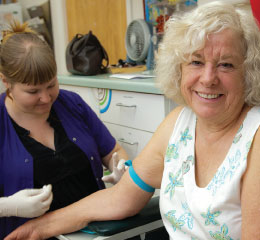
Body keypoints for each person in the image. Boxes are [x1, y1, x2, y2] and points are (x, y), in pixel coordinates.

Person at [5, 1, 260, 239]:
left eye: (226, 65)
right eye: (195, 61)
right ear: (178, 68)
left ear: (248, 72)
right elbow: (121, 198)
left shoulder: (255, 139)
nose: (208, 78)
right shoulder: (178, 125)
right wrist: (38, 228)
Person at [0, 21, 128, 239]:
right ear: (6, 83)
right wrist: (7, 207)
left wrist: (122, 168)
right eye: (33, 91)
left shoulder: (72, 104)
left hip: (95, 231)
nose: (46, 98)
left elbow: (112, 150)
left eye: (51, 85)